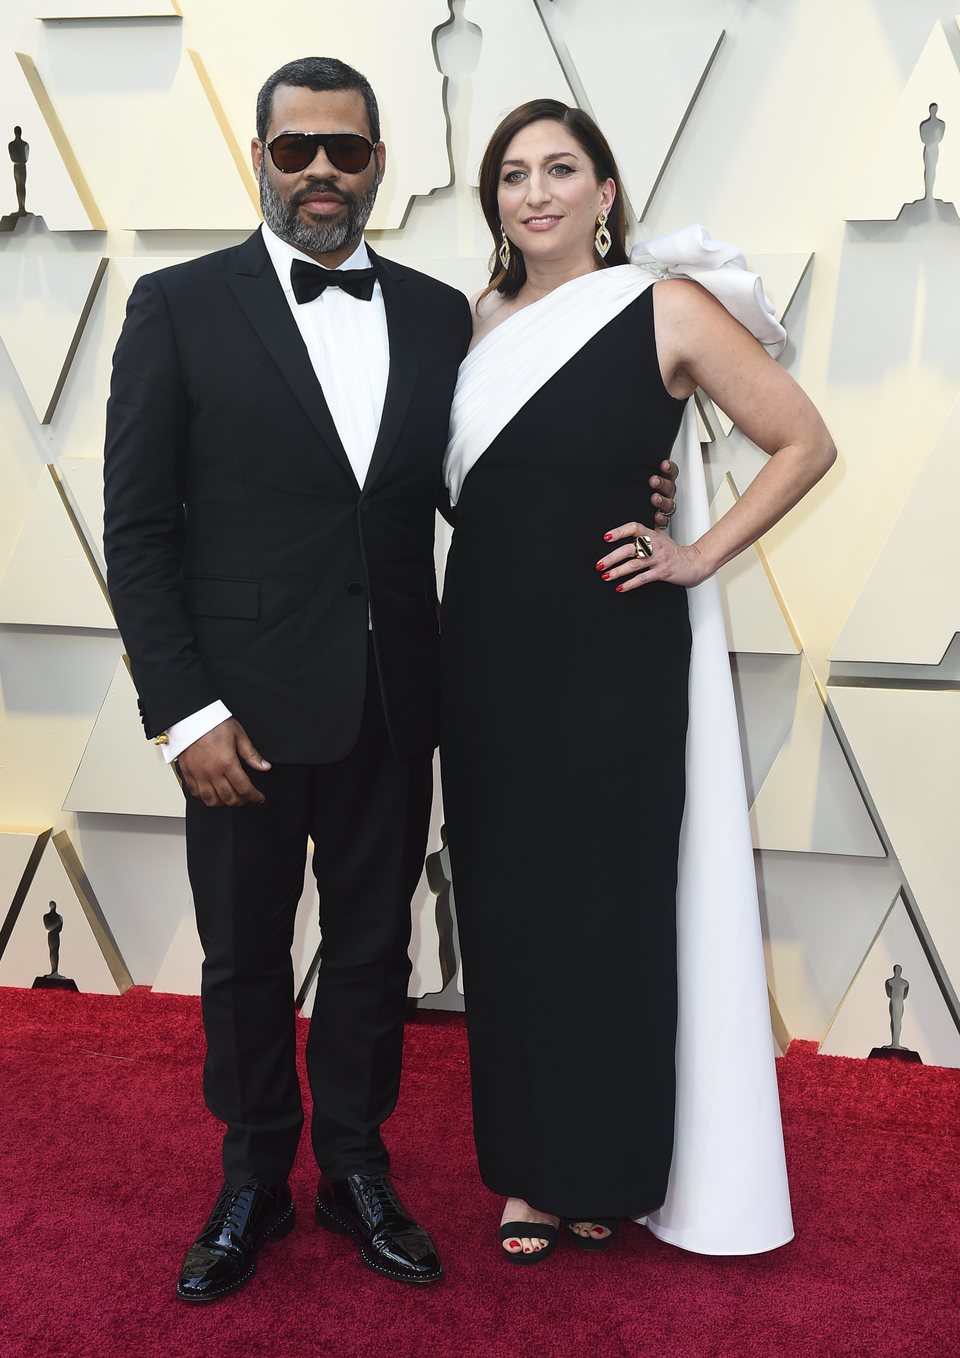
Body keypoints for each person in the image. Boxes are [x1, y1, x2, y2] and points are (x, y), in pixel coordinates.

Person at [102, 58, 678, 1300]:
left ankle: (357, 1166)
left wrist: (641, 480)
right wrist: (183, 710)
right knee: (244, 955)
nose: (321, 171)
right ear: (258, 157)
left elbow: (510, 461)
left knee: (372, 953)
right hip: (237, 716)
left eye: (346, 152)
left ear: (378, 166)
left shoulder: (437, 314)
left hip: (396, 701)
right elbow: (139, 531)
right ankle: (254, 1173)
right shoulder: (176, 306)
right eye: (297, 148)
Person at [439, 100, 836, 1262]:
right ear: (495, 201)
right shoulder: (469, 325)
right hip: (486, 656)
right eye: (513, 174)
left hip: (613, 653)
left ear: (606, 193)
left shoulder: (666, 306)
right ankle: (523, 1174)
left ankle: (602, 1169)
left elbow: (803, 439)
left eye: (563, 168)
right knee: (506, 905)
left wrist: (697, 549)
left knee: (606, 906)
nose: (537, 192)